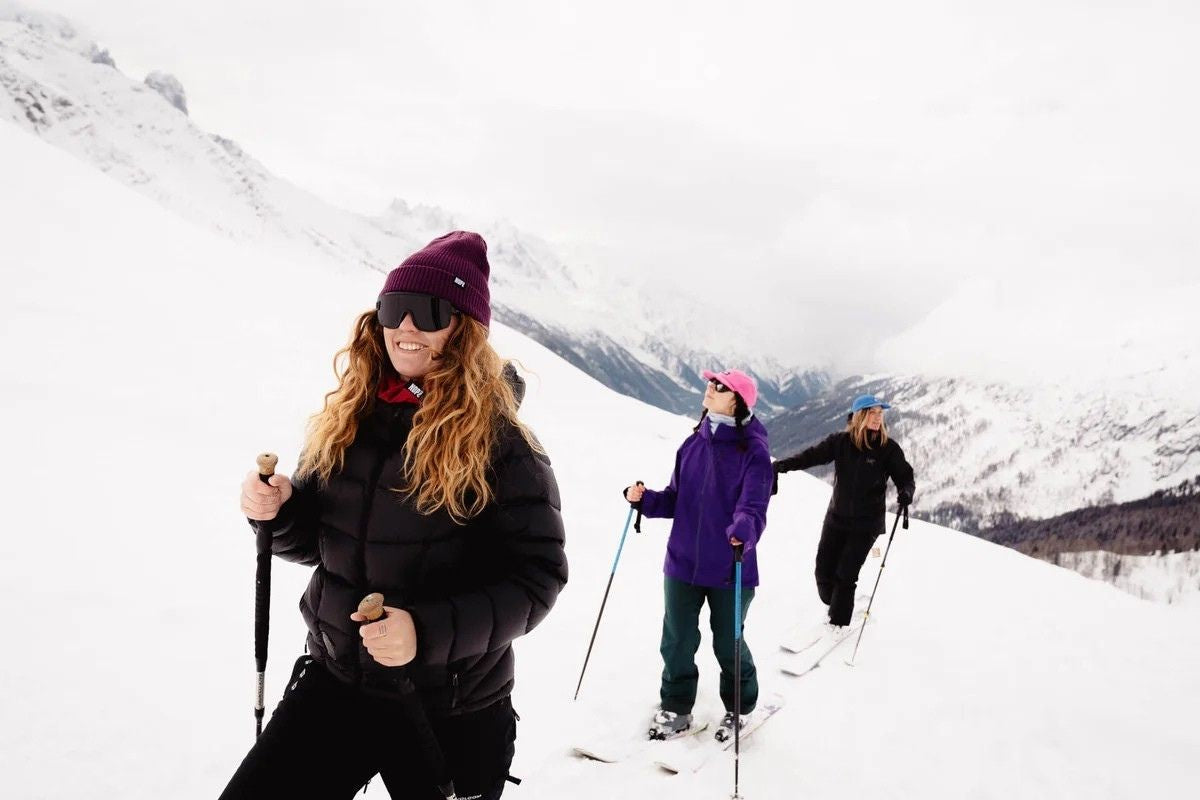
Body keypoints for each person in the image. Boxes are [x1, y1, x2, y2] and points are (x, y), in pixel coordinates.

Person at [224, 231, 568, 800]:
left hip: (452, 706)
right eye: (393, 308)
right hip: (337, 681)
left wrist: (423, 632)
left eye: (428, 312)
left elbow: (537, 579)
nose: (405, 326)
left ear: (462, 329)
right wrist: (278, 513)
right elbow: (317, 541)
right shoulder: (352, 417)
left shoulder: (501, 442)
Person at [625, 369, 773, 743]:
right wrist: (646, 500)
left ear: (737, 399)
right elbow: (677, 499)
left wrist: (743, 528)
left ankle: (740, 709)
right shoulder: (694, 442)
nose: (709, 387)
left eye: (719, 386)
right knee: (676, 639)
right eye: (710, 382)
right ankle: (675, 707)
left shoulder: (753, 450)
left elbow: (753, 506)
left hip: (730, 566)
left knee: (728, 643)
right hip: (682, 563)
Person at [772, 394, 915, 644]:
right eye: (872, 413)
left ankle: (838, 624)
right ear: (859, 416)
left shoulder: (888, 449)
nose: (878, 418)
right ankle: (836, 604)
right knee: (823, 571)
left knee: (846, 574)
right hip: (837, 518)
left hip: (866, 524)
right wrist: (783, 465)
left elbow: (905, 476)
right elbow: (811, 456)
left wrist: (906, 492)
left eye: (880, 414)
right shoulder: (840, 442)